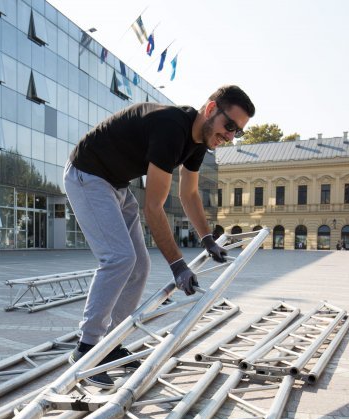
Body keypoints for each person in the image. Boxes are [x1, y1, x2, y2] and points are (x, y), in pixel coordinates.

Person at [64, 85, 255, 388]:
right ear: (210, 109)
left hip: (116, 184)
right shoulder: (170, 128)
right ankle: (86, 348)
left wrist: (207, 238)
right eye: (228, 126)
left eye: (237, 132)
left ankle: (112, 343)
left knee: (140, 266)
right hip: (87, 176)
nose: (230, 136)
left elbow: (189, 193)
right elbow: (153, 207)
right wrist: (178, 264)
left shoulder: (197, 141)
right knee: (120, 259)